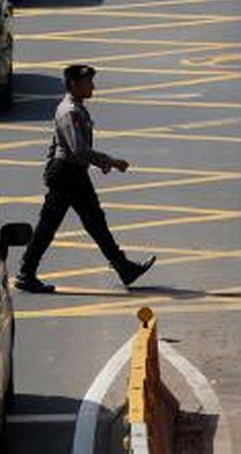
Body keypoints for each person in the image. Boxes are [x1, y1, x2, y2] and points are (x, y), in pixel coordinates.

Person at [13, 64, 155, 293]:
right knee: (50, 225)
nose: (93, 86)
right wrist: (110, 161)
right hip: (67, 174)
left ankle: (124, 267)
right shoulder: (70, 111)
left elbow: (60, 145)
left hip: (73, 173)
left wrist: (96, 163)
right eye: (88, 82)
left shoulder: (75, 108)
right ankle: (26, 273)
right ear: (73, 84)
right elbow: (78, 149)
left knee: (95, 221)